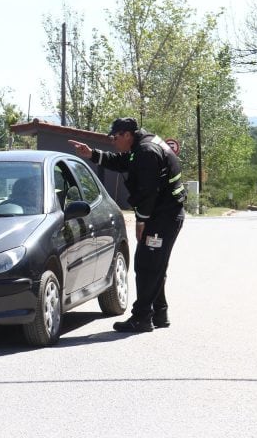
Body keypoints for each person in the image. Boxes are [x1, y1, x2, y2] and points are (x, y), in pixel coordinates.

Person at [69, 117, 185, 333]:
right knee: (155, 265)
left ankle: (142, 317)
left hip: (163, 217)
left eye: (115, 137)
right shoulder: (141, 147)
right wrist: (92, 154)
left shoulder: (147, 152)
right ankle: (159, 312)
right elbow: (124, 162)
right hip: (165, 214)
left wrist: (141, 220)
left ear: (127, 135)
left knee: (146, 265)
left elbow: (147, 193)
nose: (112, 141)